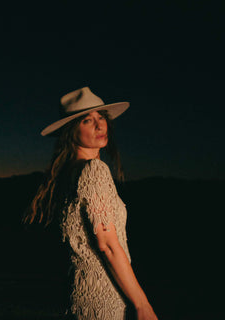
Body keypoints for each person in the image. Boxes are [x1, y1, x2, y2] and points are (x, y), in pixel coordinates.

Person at [24, 87, 158, 320]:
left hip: (78, 296)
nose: (100, 125)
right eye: (88, 120)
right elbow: (108, 245)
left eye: (101, 117)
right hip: (104, 298)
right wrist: (142, 305)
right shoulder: (94, 170)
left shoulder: (67, 175)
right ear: (71, 130)